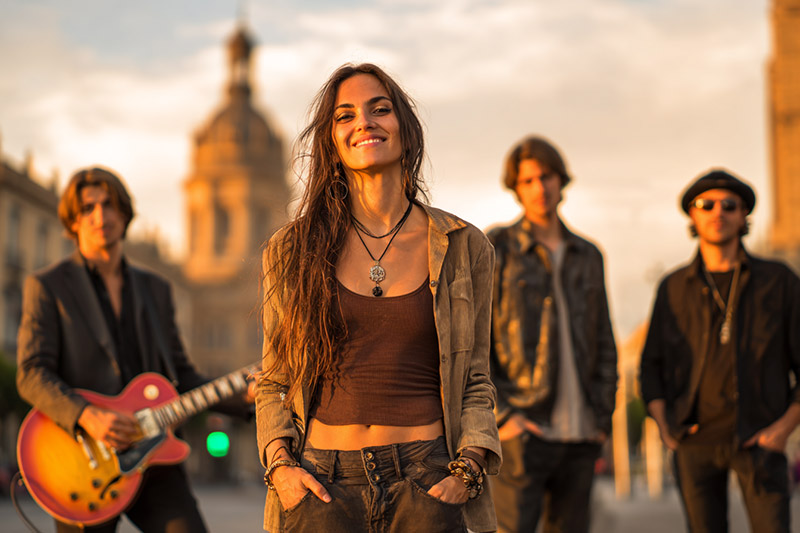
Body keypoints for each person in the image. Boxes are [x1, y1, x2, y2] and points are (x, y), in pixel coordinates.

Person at [255, 63, 501, 533]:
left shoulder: (463, 246)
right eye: (345, 116)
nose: (364, 122)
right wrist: (282, 468)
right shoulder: (292, 250)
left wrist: (466, 471)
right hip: (322, 487)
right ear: (332, 140)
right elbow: (273, 381)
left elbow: (475, 377)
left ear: (405, 131)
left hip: (427, 483)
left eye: (380, 109)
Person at [16, 167, 251, 532]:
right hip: (83, 463)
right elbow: (31, 373)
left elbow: (182, 375)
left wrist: (244, 397)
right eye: (88, 207)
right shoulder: (47, 286)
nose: (100, 216)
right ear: (73, 221)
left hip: (156, 456)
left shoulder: (156, 288)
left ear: (124, 213)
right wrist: (87, 415)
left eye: (109, 205)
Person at [640, 169, 800, 533]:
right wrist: (666, 429)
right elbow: (651, 367)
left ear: (744, 215)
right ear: (692, 216)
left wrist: (783, 430)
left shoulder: (779, 281)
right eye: (706, 204)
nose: (718, 212)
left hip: (762, 438)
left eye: (729, 205)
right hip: (694, 441)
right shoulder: (673, 288)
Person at [486, 136, 618, 533]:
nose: (539, 188)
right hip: (524, 430)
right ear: (515, 188)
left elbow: (605, 341)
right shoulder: (496, 248)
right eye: (527, 181)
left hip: (581, 434)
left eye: (546, 177)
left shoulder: (588, 254)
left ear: (561, 181)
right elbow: (475, 342)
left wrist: (603, 415)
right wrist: (503, 415)